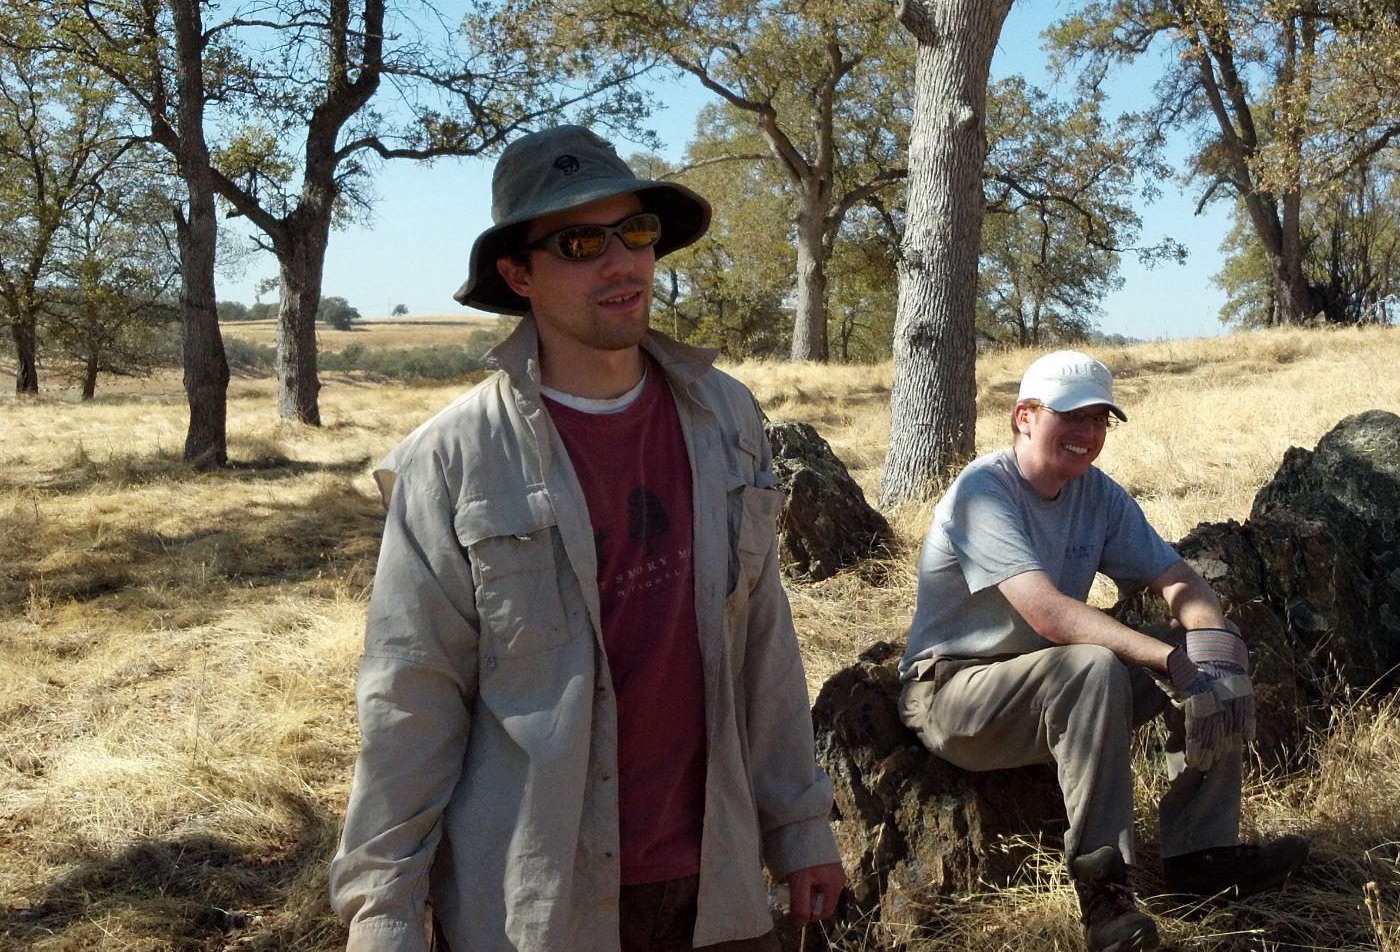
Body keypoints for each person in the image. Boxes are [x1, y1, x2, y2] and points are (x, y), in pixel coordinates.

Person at [331, 125, 845, 952]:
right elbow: (411, 696)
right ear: (518, 274)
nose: (622, 262)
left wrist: (799, 826)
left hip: (718, 884)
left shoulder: (726, 415)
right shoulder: (451, 462)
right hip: (538, 903)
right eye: (579, 243)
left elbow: (762, 639)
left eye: (635, 232)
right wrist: (383, 910)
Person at [898, 350, 1308, 952]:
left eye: (1099, 420)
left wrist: (1210, 647)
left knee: (1216, 649)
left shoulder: (1096, 494)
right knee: (1098, 664)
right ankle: (1105, 898)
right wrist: (1170, 662)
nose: (1088, 434)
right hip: (955, 693)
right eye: (1072, 417)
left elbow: (1180, 579)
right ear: (1025, 417)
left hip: (1053, 684)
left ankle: (1202, 855)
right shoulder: (983, 491)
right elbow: (1048, 612)